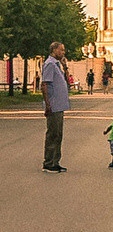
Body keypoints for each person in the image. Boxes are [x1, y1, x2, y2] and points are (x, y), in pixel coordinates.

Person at [39, 42, 72, 172]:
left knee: (58, 134)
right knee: (52, 134)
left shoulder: (57, 65)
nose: (63, 52)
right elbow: (44, 85)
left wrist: (65, 66)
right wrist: (48, 105)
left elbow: (67, 80)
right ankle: (48, 163)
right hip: (53, 105)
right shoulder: (50, 64)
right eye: (61, 50)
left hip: (59, 105)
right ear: (54, 50)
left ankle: (55, 161)